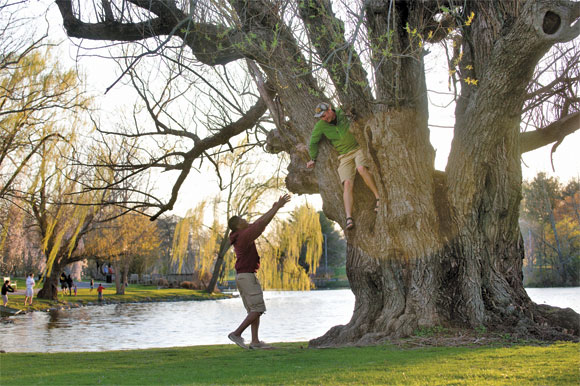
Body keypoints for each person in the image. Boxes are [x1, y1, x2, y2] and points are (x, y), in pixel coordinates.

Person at [227, 194, 291, 350]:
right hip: (247, 276)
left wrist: (274, 208)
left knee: (253, 310)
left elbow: (257, 222)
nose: (245, 221)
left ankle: (255, 342)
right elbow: (262, 223)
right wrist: (276, 208)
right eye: (242, 221)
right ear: (238, 227)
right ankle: (236, 334)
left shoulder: (241, 234)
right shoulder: (244, 236)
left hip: (243, 276)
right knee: (258, 309)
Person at [307, 102, 380, 230]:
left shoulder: (342, 113)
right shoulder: (321, 126)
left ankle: (379, 198)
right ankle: (349, 217)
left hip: (358, 149)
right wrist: (312, 158)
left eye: (324, 115)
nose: (324, 118)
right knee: (347, 183)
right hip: (344, 156)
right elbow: (313, 142)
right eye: (321, 117)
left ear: (330, 109)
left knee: (361, 169)